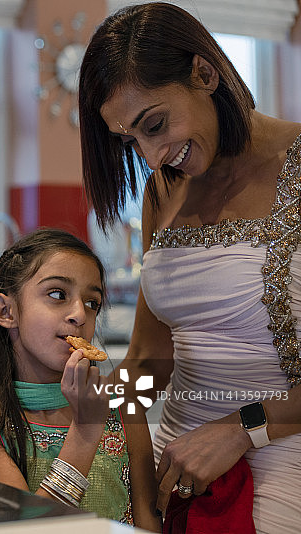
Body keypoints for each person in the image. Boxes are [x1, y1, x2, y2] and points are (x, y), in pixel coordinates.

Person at [78, 3, 301, 532]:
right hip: (176, 461)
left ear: (205, 73)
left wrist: (242, 429)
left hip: (285, 453)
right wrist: (94, 407)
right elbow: (151, 361)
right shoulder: (163, 192)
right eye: (131, 141)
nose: (152, 157)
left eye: (154, 124)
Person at [0, 228, 160, 530]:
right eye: (57, 294)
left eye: (93, 302)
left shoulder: (126, 411)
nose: (79, 314)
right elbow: (30, 530)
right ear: (6, 310)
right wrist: (85, 433)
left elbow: (148, 524)